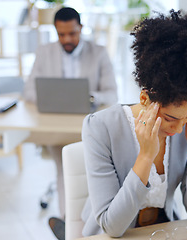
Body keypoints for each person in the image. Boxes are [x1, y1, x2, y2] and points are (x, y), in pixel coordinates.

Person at [81, 10, 187, 237]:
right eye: (170, 118)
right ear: (144, 98)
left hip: (163, 230)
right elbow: (112, 227)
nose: (179, 129)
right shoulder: (100, 127)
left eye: (186, 117)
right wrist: (145, 156)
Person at [22, 7, 118, 240]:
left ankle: (89, 226)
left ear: (81, 29)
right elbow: (28, 91)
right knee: (65, 170)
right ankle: (71, 227)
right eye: (61, 34)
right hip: (57, 127)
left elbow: (112, 94)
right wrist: (55, 96)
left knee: (96, 173)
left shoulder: (99, 52)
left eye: (72, 34)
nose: (67, 39)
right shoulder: (45, 52)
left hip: (90, 126)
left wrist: (88, 97)